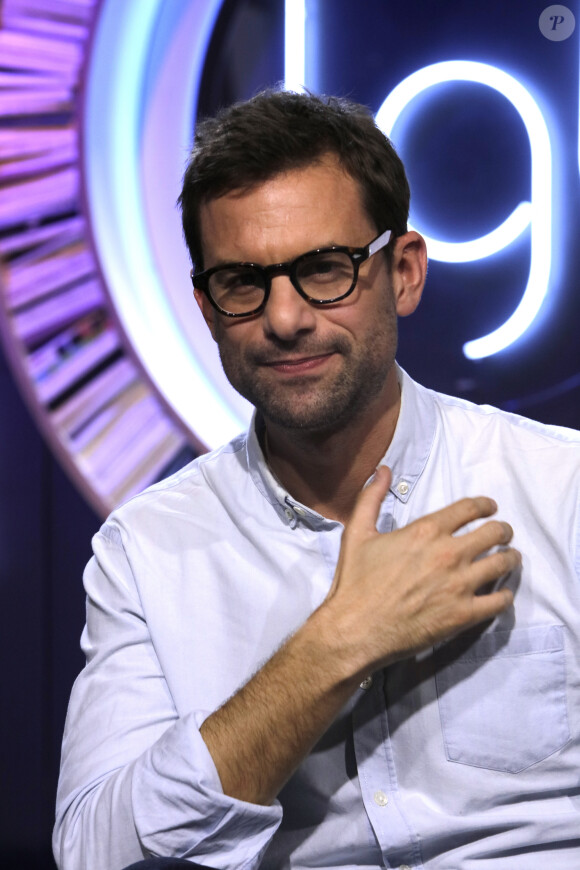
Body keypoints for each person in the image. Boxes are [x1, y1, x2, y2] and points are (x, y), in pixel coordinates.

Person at [53, 90, 580, 870]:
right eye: (242, 282)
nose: (287, 317)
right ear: (205, 307)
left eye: (325, 270)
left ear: (402, 273)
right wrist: (334, 647)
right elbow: (97, 854)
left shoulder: (560, 489)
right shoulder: (147, 551)